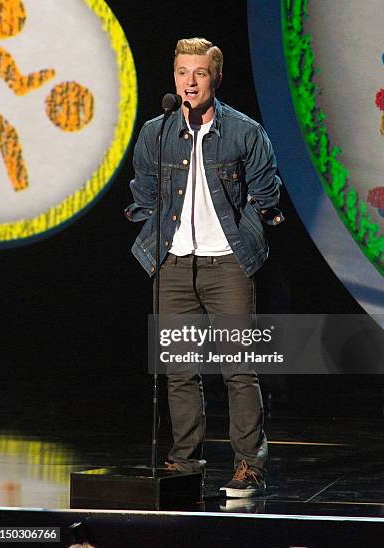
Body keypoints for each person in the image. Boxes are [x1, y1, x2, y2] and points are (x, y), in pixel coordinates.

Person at [126, 37, 283, 497]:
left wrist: (245, 236)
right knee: (179, 368)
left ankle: (248, 465)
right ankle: (185, 461)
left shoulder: (245, 132)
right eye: (181, 74)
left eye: (198, 74)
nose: (189, 83)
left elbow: (266, 195)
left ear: (215, 77)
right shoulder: (156, 132)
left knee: (238, 367)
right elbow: (144, 193)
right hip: (173, 264)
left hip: (228, 265)